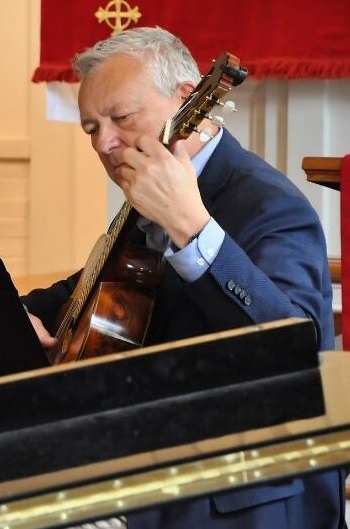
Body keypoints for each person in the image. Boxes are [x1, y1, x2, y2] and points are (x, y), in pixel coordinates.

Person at [22, 27, 346, 529]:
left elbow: (296, 346)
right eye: (91, 128)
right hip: (151, 480)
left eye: (122, 118)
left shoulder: (271, 203)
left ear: (186, 98)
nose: (106, 143)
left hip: (244, 503)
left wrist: (191, 228)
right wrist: (18, 314)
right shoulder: (142, 205)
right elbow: (93, 286)